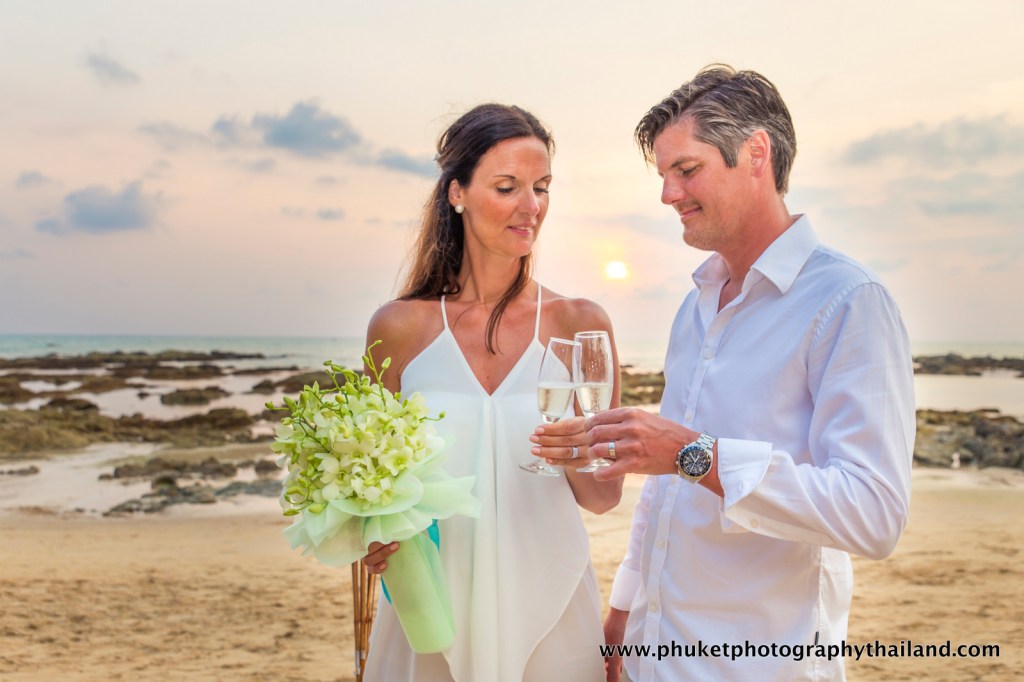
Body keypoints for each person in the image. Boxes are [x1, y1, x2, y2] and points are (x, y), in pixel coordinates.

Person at [533, 65, 916, 680]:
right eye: (664, 175)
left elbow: (873, 515)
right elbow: (663, 489)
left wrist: (694, 454)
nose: (668, 195)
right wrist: (625, 609)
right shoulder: (695, 308)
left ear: (756, 153)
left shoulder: (848, 301)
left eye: (686, 170)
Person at [359, 103, 623, 682]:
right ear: (457, 193)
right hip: (431, 603)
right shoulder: (398, 328)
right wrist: (370, 537)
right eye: (508, 187)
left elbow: (604, 497)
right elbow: (368, 483)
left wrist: (577, 454)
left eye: (542, 188)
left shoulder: (580, 323)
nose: (532, 207)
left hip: (551, 598)